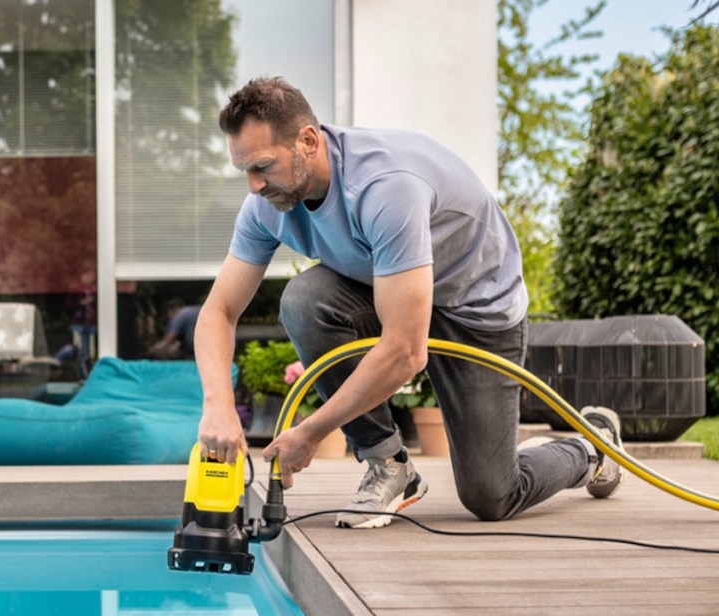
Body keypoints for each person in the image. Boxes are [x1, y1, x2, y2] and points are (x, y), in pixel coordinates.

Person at [193, 76, 623, 528]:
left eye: (263, 166)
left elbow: (405, 352)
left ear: (308, 141)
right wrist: (217, 405)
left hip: (477, 311)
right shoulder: (266, 205)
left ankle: (591, 445)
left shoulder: (385, 188)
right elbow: (218, 311)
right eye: (245, 170)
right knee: (305, 300)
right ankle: (390, 466)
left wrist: (311, 432)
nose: (254, 186)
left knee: (492, 495)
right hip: (394, 295)